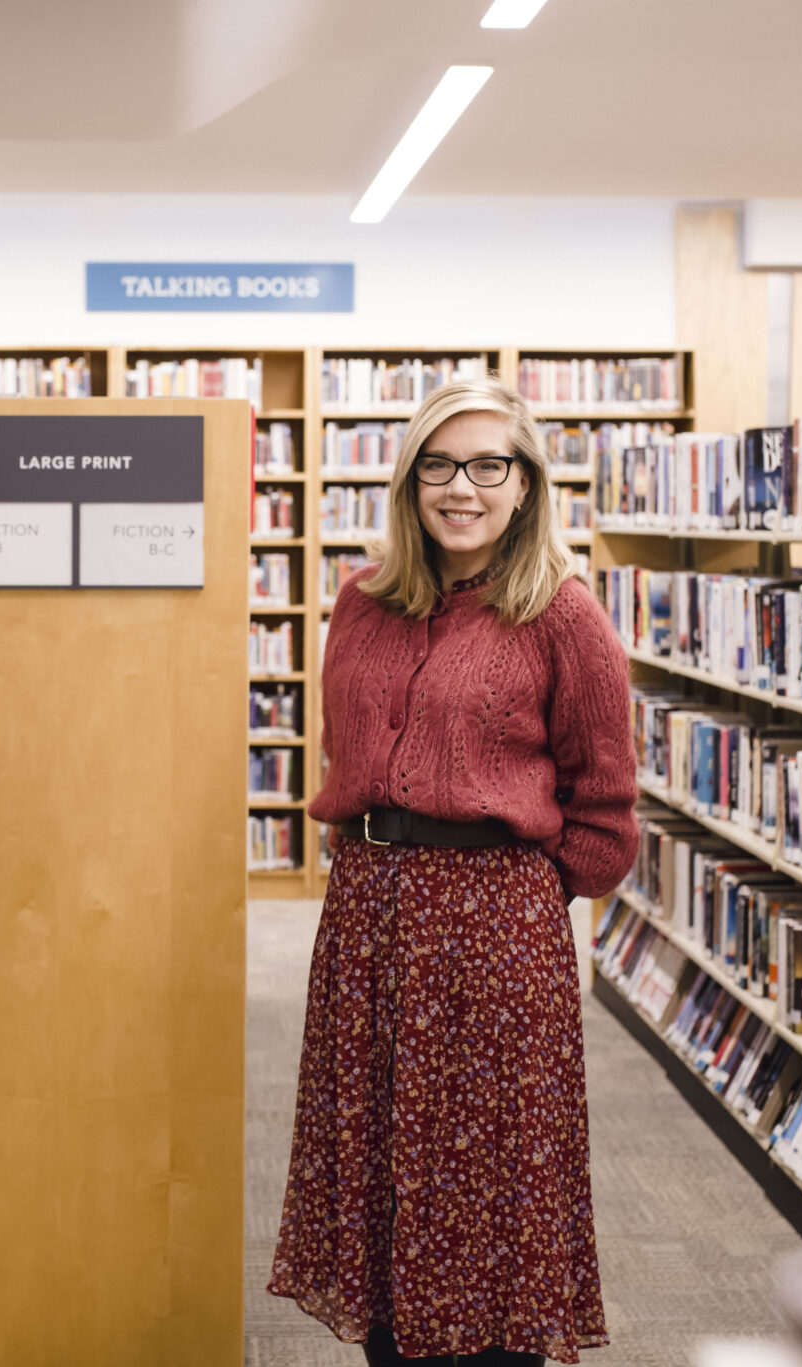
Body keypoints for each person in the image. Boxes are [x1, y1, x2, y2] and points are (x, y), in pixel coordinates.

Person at [268, 377, 637, 1365]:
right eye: (438, 463)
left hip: (491, 927)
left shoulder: (562, 615)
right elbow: (347, 753)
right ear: (408, 478)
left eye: (486, 464)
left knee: (488, 1178)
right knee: (380, 1163)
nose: (460, 486)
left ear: (523, 484)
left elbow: (605, 809)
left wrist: (512, 891)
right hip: (365, 915)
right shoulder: (360, 599)